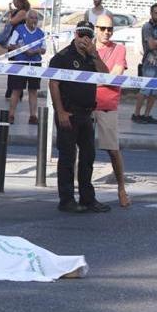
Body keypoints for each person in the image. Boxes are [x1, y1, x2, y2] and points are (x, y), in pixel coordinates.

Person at [49, 21, 111, 214]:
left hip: (86, 114)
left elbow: (105, 74)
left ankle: (88, 198)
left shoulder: (91, 57)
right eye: (81, 35)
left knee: (88, 157)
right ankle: (66, 199)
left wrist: (95, 54)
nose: (84, 39)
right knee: (67, 158)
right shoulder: (63, 57)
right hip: (69, 113)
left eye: (88, 36)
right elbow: (54, 84)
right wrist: (60, 112)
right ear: (75, 35)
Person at [93, 14, 131, 208]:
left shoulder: (119, 49)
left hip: (107, 104)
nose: (106, 32)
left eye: (109, 29)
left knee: (113, 150)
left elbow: (114, 76)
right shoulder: (87, 47)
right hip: (85, 103)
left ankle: (121, 188)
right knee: (79, 149)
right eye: (102, 28)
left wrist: (95, 79)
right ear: (95, 28)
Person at [5, 9, 45, 125]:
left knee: (33, 90)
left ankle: (33, 116)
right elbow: (11, 45)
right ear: (26, 19)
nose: (34, 20)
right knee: (16, 90)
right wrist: (23, 49)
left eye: (36, 18)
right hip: (20, 62)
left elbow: (43, 49)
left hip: (35, 64)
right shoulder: (19, 30)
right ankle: (11, 114)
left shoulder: (40, 33)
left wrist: (36, 50)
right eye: (31, 18)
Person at [132, 3, 157, 125]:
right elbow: (151, 45)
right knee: (145, 90)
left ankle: (146, 115)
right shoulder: (147, 27)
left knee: (155, 91)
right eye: (156, 13)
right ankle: (136, 114)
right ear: (151, 13)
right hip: (149, 62)